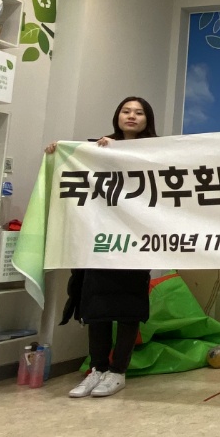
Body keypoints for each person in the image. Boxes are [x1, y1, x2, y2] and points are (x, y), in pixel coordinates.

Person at [46, 96, 157, 399]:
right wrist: (59, 152)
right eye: (126, 111)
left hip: (134, 243)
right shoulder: (97, 148)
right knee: (97, 307)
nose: (131, 116)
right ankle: (97, 369)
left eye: (139, 112)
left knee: (128, 309)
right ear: (117, 115)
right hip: (100, 242)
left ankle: (118, 372)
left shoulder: (156, 151)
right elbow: (74, 168)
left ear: (148, 119)